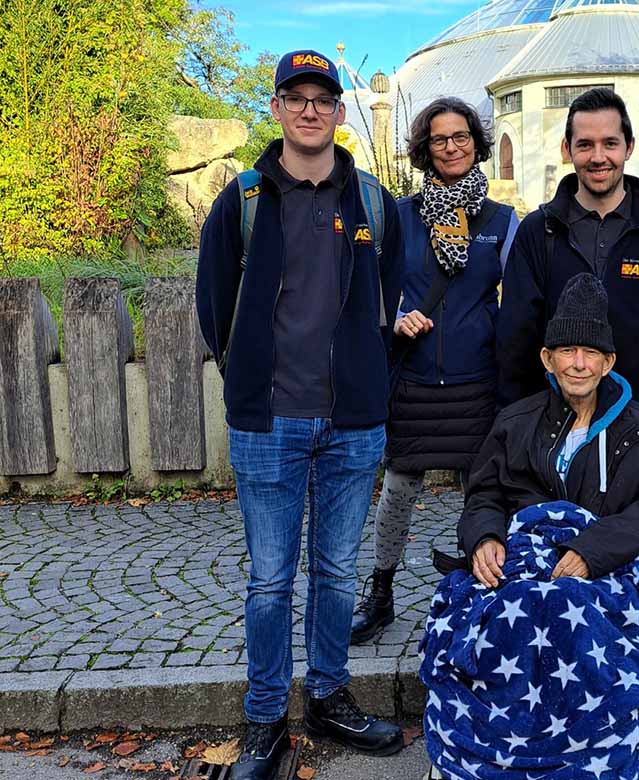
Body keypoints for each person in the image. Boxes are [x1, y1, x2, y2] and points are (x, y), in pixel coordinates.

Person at [195, 49, 405, 780]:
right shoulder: (245, 200)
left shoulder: (373, 203)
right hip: (269, 424)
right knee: (270, 578)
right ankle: (263, 721)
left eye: (323, 97)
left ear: (340, 114)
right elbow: (213, 305)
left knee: (338, 573)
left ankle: (327, 694)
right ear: (278, 109)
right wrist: (251, 380)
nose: (311, 108)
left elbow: (390, 302)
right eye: (297, 96)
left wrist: (370, 387)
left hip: (353, 424)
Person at [419, 272, 639, 779]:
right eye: (566, 350)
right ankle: (504, 746)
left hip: (610, 565)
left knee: (566, 610)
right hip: (526, 559)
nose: (578, 363)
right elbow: (485, 494)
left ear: (609, 362)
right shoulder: (515, 422)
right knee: (505, 610)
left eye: (590, 352)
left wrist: (594, 549)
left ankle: (584, 751)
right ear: (548, 359)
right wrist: (485, 538)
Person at [350, 97, 519, 645]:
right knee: (399, 485)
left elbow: (518, 299)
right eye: (440, 139)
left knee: (483, 489)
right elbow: (369, 291)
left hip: (476, 376)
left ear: (477, 143)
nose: (452, 146)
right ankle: (381, 589)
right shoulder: (398, 216)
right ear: (425, 149)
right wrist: (395, 319)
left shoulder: (501, 220)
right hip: (416, 374)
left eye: (461, 136)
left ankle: (483, 587)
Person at [495, 87, 639, 424]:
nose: (598, 157)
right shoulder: (538, 230)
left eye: (610, 143)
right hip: (553, 420)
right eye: (585, 144)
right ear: (567, 149)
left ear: (628, 147)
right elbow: (517, 332)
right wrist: (521, 414)